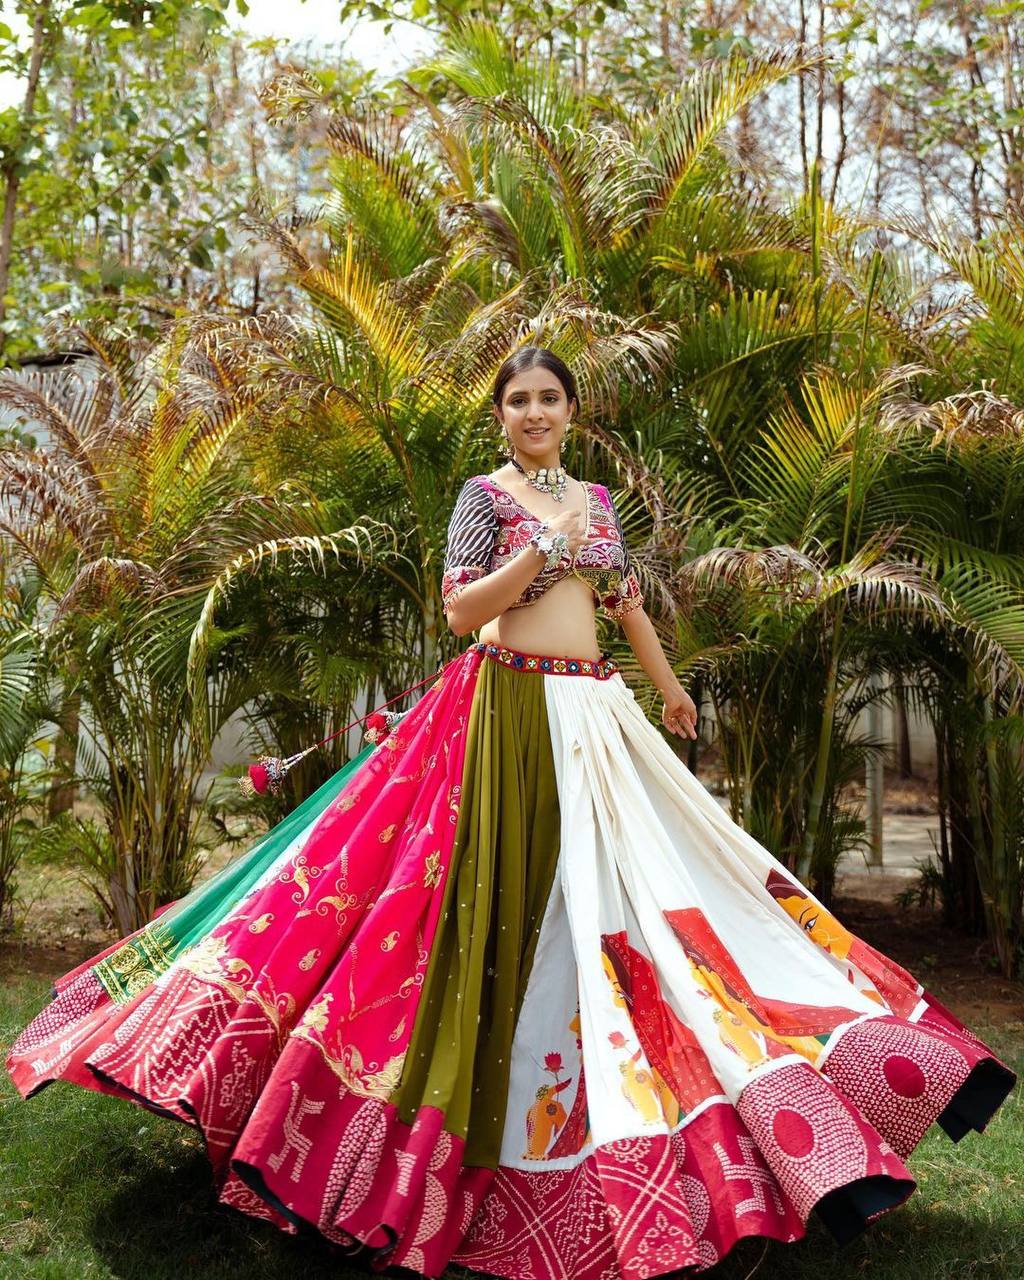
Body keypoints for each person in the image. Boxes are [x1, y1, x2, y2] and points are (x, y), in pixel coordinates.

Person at [5, 346, 1015, 1280]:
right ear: (502, 417)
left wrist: (666, 688)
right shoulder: (483, 496)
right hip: (503, 716)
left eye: (548, 397)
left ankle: (740, 1121)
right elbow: (459, 610)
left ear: (571, 411)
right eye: (518, 399)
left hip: (594, 714)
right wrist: (544, 549)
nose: (534, 411)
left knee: (662, 903)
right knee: (483, 915)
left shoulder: (599, 500)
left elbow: (622, 604)